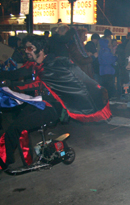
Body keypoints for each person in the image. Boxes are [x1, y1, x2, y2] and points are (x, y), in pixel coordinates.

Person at [0, 35, 111, 169]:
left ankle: (4, 162)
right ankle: (14, 160)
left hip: (53, 107)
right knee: (14, 127)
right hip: (38, 103)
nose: (27, 51)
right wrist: (8, 81)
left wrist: (96, 92)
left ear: (40, 49)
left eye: (30, 47)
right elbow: (14, 74)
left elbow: (80, 78)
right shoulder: (33, 64)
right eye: (25, 48)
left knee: (18, 127)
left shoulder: (56, 63)